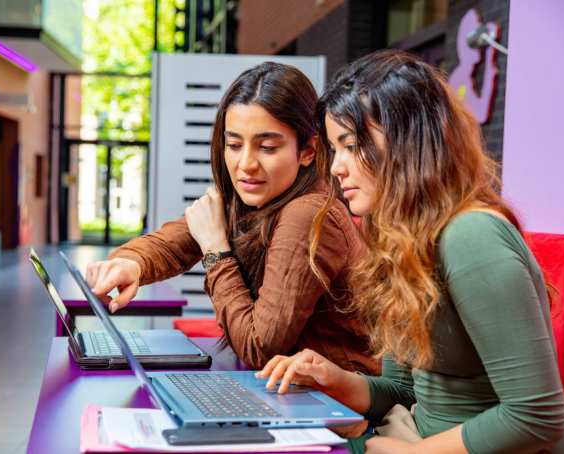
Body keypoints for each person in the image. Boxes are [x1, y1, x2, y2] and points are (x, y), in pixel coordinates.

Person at [258, 50, 564, 453]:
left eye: (351, 145)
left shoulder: (471, 236)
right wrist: (333, 379)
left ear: (409, 142)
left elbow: (538, 415)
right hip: (409, 433)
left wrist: (414, 453)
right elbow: (403, 389)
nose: (337, 167)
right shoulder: (402, 240)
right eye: (336, 149)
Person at [85, 62, 379, 375]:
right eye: (234, 145)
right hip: (291, 395)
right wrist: (131, 263)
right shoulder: (260, 199)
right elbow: (179, 238)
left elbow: (259, 347)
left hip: (334, 410)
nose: (246, 164)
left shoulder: (307, 213)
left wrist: (216, 253)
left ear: (307, 151)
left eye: (267, 147)